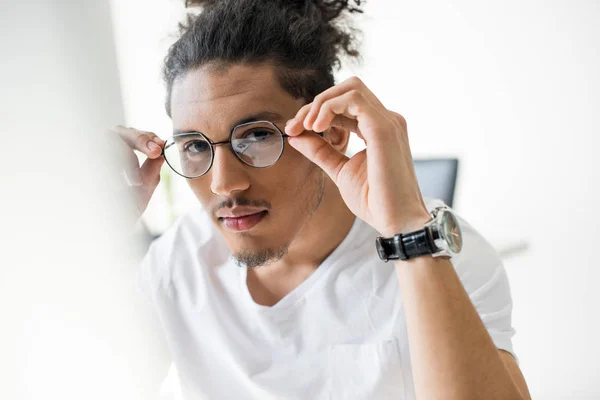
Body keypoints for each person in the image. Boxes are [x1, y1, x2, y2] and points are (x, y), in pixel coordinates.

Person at [114, 0, 531, 398]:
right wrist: (92, 228)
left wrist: (409, 233)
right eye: (195, 146)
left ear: (330, 130)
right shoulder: (179, 261)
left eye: (257, 135)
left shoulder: (445, 255)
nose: (225, 183)